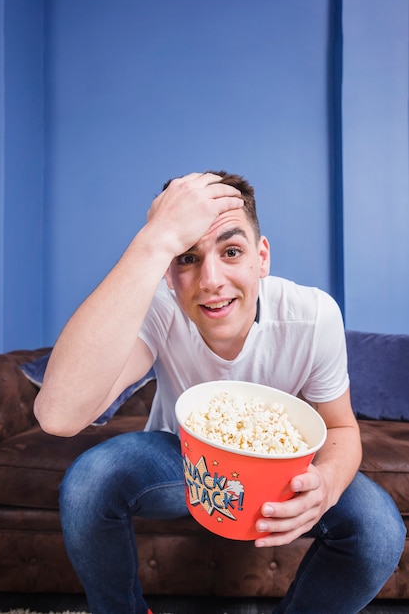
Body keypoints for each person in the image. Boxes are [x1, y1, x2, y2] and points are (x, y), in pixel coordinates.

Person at [34, 171, 405, 614]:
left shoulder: (313, 315)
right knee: (88, 483)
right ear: (169, 272)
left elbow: (341, 426)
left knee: (379, 529)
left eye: (232, 251)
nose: (210, 279)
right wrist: (153, 242)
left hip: (280, 475)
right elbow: (58, 415)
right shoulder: (159, 307)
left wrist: (324, 485)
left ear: (261, 257)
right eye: (187, 258)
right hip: (185, 463)